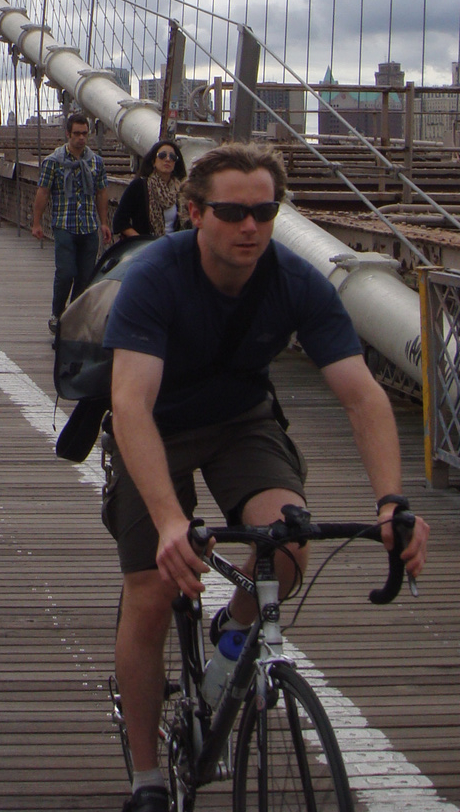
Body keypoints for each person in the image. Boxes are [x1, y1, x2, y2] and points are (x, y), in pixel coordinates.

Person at [103, 142, 430, 812]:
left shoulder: (297, 280)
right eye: (233, 212)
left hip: (239, 419)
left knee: (286, 545)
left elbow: (363, 395)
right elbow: (129, 403)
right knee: (151, 590)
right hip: (155, 426)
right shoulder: (156, 277)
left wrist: (391, 501)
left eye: (265, 211)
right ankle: (146, 777)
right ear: (195, 213)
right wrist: (170, 521)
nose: (250, 226)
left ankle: (231, 637)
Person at [31, 113, 110, 333]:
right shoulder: (53, 162)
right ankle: (57, 313)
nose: (81, 138)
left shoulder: (96, 162)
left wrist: (104, 223)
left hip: (88, 225)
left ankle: (73, 316)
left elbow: (102, 193)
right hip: (64, 224)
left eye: (85, 134)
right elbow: (43, 192)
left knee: (85, 277)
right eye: (77, 134)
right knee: (65, 272)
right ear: (67, 134)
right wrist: (36, 223)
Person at [112, 140, 187, 241]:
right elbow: (119, 221)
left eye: (172, 157)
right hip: (145, 248)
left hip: (172, 247)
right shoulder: (139, 186)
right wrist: (142, 240)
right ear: (153, 161)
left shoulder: (181, 191)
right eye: (162, 155)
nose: (168, 159)